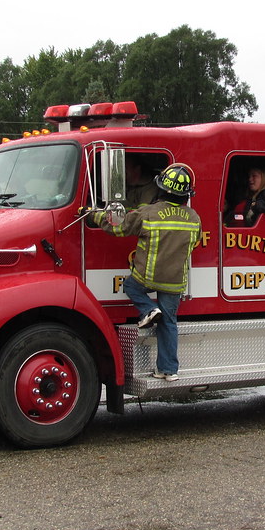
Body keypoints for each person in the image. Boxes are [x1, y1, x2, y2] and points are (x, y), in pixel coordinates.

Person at [94, 163, 200, 381]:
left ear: (161, 189)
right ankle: (168, 370)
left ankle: (149, 309)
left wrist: (93, 216)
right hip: (174, 281)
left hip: (147, 277)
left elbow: (117, 227)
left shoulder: (148, 213)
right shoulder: (194, 218)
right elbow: (194, 243)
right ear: (185, 195)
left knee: (130, 286)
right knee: (169, 323)